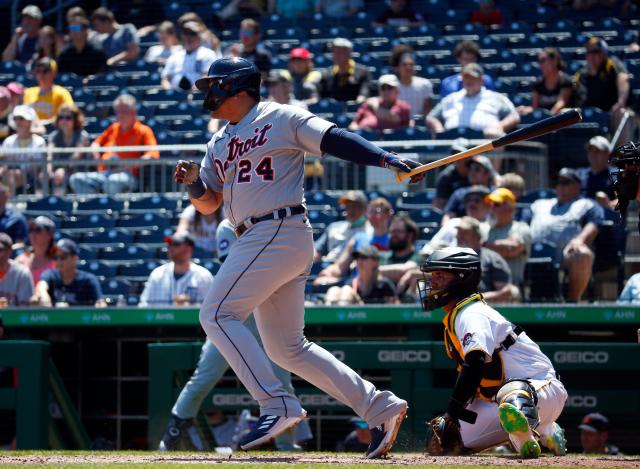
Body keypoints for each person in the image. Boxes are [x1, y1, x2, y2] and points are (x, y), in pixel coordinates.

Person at [174, 56, 423, 457]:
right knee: (287, 349)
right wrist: (193, 185)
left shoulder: (280, 115)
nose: (208, 94)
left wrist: (385, 159)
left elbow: (333, 137)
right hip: (259, 236)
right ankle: (380, 406)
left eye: (213, 86)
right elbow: (209, 203)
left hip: (277, 227)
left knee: (216, 314)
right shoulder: (218, 141)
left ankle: (275, 403)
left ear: (235, 87)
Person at [159, 219, 313, 451]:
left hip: (267, 318)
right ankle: (172, 434)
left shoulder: (273, 222)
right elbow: (237, 269)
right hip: (233, 317)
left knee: (282, 382)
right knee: (204, 376)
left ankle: (286, 443)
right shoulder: (228, 225)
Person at [420, 246, 567, 459]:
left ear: (462, 279)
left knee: (512, 393)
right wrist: (453, 419)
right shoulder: (456, 314)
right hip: (500, 401)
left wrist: (453, 410)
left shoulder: (472, 313)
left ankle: (528, 440)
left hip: (543, 389)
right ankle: (547, 432)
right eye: (433, 276)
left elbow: (475, 362)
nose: (433, 282)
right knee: (444, 443)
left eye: (440, 276)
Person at [529, 168, 604, 302]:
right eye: (557, 182)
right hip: (531, 252)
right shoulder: (540, 204)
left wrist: (580, 240)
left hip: (564, 253)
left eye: (565, 182)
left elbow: (595, 222)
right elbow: (522, 222)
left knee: (582, 254)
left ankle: (572, 302)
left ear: (577, 186)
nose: (560, 186)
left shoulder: (586, 204)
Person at [69, 94, 159, 195]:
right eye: (118, 111)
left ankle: (111, 208)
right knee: (77, 179)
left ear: (134, 112)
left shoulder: (144, 130)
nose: (120, 115)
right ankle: (95, 207)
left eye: (124, 111)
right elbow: (96, 144)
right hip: (105, 173)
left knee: (113, 181)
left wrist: (130, 164)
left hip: (127, 175)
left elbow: (153, 154)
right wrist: (96, 155)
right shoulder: (114, 128)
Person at [315, 197, 394, 285]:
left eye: (377, 212)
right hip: (356, 286)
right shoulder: (358, 238)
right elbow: (340, 266)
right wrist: (330, 272)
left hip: (384, 285)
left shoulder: (395, 240)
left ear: (388, 215)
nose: (373, 215)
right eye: (371, 212)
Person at [427, 63, 519, 138]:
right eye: (466, 77)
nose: (469, 81)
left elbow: (514, 116)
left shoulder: (495, 97)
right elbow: (431, 117)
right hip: (454, 142)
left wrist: (499, 127)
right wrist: (439, 129)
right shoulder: (451, 99)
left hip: (484, 143)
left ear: (482, 80)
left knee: (496, 135)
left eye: (473, 77)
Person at [575, 37, 633, 139]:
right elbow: (574, 90)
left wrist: (620, 103)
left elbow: (623, 78)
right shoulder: (583, 73)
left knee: (621, 114)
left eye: (595, 52)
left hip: (610, 112)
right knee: (564, 114)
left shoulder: (611, 64)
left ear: (604, 53)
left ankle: (624, 154)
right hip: (588, 114)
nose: (592, 55)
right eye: (589, 52)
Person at [139, 233, 214, 307]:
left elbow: (211, 309)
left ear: (189, 249)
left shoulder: (203, 276)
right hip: (160, 319)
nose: (170, 247)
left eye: (176, 244)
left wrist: (191, 306)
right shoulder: (157, 274)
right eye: (169, 244)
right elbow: (144, 305)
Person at [456, 216, 520, 302]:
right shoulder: (449, 258)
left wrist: (472, 300)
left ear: (477, 236)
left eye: (465, 232)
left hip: (482, 309)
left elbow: (505, 294)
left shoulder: (492, 259)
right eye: (459, 232)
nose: (460, 236)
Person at [33, 238, 105, 307]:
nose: (58, 261)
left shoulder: (88, 280)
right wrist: (43, 295)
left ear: (75, 258)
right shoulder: (51, 275)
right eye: (56, 257)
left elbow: (100, 303)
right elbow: (42, 285)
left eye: (63, 257)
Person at [483, 188, 531, 288]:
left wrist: (483, 245)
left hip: (510, 287)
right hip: (483, 286)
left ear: (510, 209)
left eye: (496, 204)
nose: (491, 208)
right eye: (490, 204)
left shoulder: (520, 227)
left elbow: (511, 249)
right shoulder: (483, 228)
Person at [325, 244, 398, 305]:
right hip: (352, 319)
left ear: (375, 262)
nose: (359, 261)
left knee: (347, 291)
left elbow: (395, 310)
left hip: (375, 320)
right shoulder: (350, 283)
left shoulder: (384, 285)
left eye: (364, 257)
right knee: (333, 290)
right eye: (357, 257)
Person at [0, 105, 46, 194]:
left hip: (33, 178)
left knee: (12, 174)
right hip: (10, 176)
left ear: (29, 122)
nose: (18, 122)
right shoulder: (9, 141)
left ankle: (9, 201)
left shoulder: (39, 142)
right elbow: (4, 162)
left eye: (21, 118)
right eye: (15, 119)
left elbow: (38, 168)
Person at [161, 21, 219, 91]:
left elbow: (207, 77)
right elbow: (166, 79)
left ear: (199, 36)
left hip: (198, 96)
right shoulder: (174, 56)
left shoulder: (208, 54)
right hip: (175, 96)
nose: (188, 37)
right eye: (185, 34)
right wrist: (170, 92)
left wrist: (193, 92)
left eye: (192, 34)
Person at [517, 48, 576, 116]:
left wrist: (549, 117)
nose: (541, 64)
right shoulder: (538, 83)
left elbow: (561, 102)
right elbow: (535, 106)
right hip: (545, 121)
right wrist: (524, 109)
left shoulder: (566, 80)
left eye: (543, 60)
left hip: (561, 120)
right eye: (539, 61)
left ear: (554, 61)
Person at [313, 190, 368, 262]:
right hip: (329, 267)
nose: (351, 210)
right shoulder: (334, 227)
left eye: (355, 206)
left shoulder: (371, 230)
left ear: (364, 209)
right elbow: (317, 250)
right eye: (348, 206)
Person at [47, 104, 91, 194]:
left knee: (60, 176)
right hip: (59, 172)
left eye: (68, 118)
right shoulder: (54, 136)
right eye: (61, 117)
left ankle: (59, 205)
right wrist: (48, 170)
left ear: (75, 119)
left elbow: (76, 157)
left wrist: (62, 170)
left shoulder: (82, 135)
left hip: (78, 172)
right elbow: (49, 155)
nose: (64, 121)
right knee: (43, 176)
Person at [443, 155, 497, 224]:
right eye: (470, 169)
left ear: (487, 174)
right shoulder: (459, 193)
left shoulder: (495, 193)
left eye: (477, 169)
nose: (472, 172)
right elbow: (448, 217)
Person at [23, 58, 74, 126]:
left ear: (54, 73)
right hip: (32, 131)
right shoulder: (28, 92)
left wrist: (43, 124)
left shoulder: (62, 93)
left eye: (45, 71)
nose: (41, 74)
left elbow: (69, 113)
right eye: (38, 71)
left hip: (53, 130)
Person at [318, 38, 371, 103]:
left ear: (349, 53)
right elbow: (323, 96)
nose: (336, 55)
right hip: (334, 110)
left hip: (354, 110)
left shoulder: (362, 71)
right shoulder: (327, 73)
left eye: (340, 52)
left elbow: (363, 94)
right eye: (334, 51)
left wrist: (354, 105)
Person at [390, 45, 433, 117]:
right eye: (404, 65)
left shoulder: (425, 84)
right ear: (397, 68)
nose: (408, 67)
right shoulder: (392, 87)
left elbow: (427, 110)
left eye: (411, 64)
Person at [15, 216, 56, 284]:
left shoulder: (58, 262)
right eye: (31, 230)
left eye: (38, 230)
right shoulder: (21, 259)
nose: (32, 234)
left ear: (50, 234)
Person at [433, 139, 471, 210]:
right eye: (454, 153)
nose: (457, 157)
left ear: (469, 155)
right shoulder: (446, 176)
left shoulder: (477, 170)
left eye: (461, 153)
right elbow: (439, 203)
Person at [577, 135, 615, 201]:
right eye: (590, 150)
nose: (593, 154)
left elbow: (624, 200)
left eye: (597, 151)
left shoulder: (617, 175)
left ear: (608, 154)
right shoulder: (579, 174)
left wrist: (609, 204)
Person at [0, 233, 34, 306]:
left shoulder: (22, 273)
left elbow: (25, 307)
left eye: (0, 250)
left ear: (9, 251)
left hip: (14, 317)